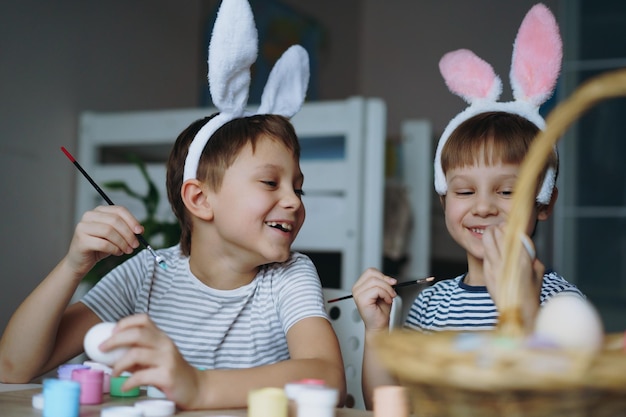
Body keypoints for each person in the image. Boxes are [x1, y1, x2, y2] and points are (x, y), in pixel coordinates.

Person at [0, 0, 345, 410]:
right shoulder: (146, 275)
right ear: (199, 199)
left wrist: (199, 388)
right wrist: (73, 266)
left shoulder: (288, 276)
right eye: (271, 182)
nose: (292, 200)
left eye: (298, 189)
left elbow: (327, 377)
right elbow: (11, 368)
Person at [351, 3, 583, 410]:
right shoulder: (431, 304)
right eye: (464, 192)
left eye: (507, 192)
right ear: (444, 201)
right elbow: (389, 404)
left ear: (544, 203)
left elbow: (557, 402)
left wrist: (522, 310)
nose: (483, 207)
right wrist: (376, 332)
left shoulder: (561, 302)